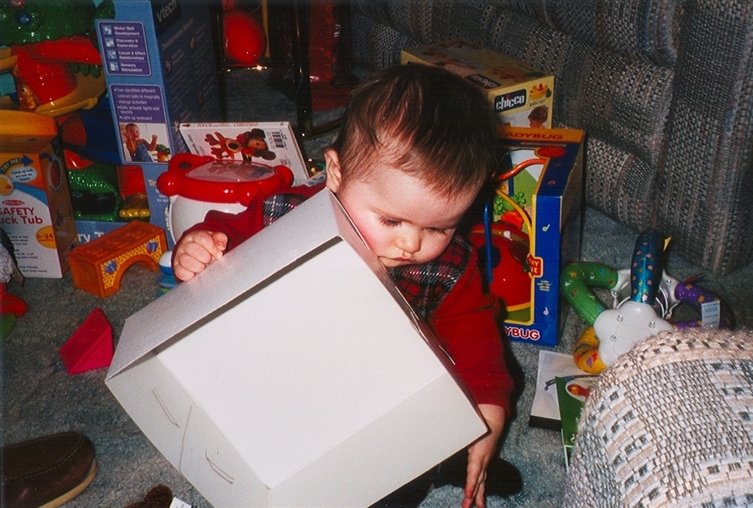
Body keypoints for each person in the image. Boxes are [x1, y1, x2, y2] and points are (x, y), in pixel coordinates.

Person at [172, 64, 516, 508]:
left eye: (439, 228)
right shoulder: (284, 215)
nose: (412, 244)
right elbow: (227, 235)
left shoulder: (450, 267)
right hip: (287, 369)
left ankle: (437, 462)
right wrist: (200, 245)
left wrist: (488, 415)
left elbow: (477, 341)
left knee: (391, 477)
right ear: (336, 172)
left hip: (383, 392)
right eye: (390, 220)